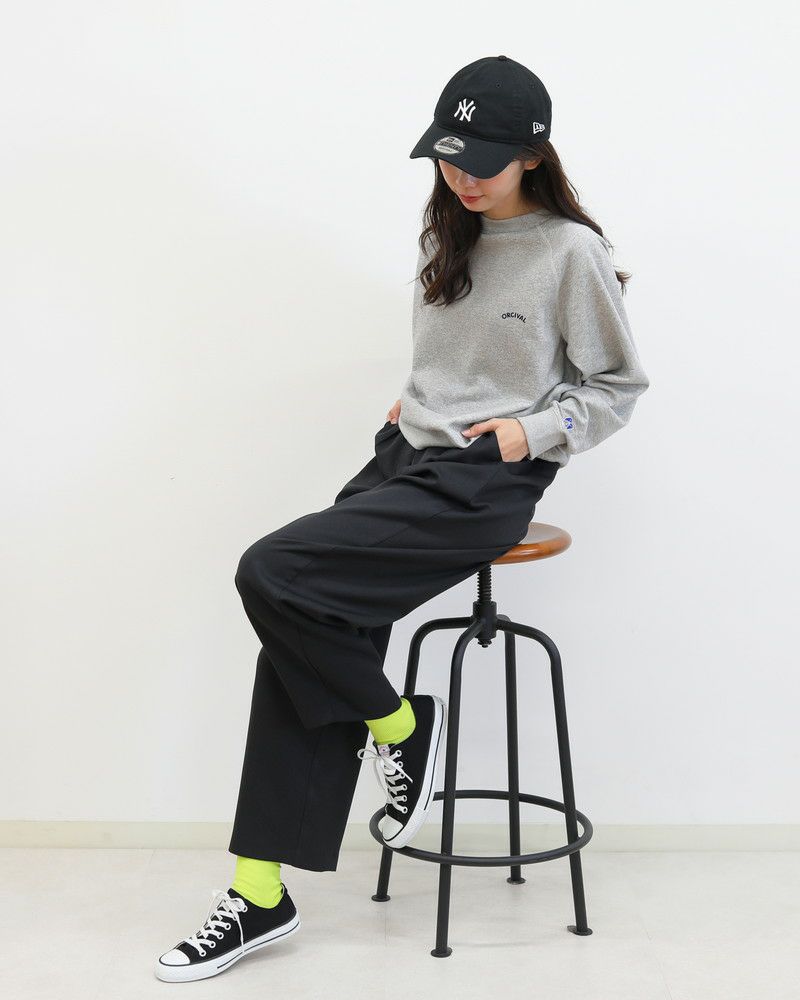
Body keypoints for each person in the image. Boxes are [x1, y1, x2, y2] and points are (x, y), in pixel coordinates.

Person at [155, 53, 650, 982]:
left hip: (486, 480)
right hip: (405, 460)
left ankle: (399, 730)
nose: (462, 178)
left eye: (483, 163)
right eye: (449, 158)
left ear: (533, 156)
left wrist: (530, 430)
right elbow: (460, 358)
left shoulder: (569, 252)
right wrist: (418, 402)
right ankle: (261, 891)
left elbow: (616, 387)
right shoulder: (449, 233)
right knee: (301, 631)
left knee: (272, 571)